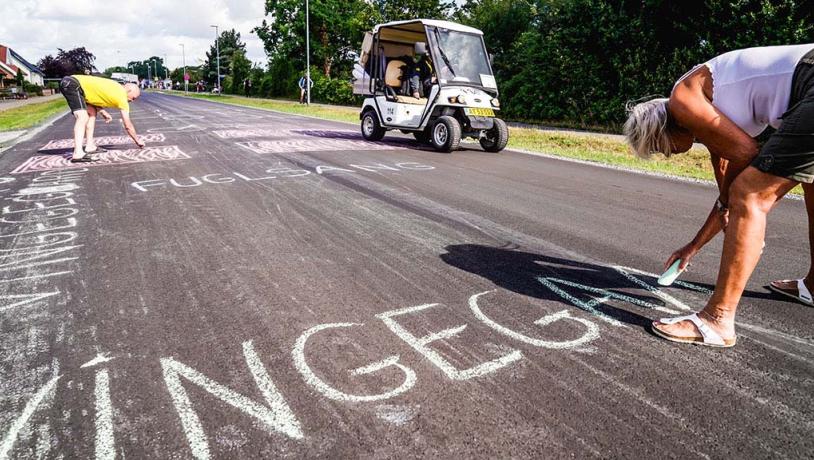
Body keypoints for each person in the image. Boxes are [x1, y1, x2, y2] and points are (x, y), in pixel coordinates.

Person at [624, 43, 814, 348]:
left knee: (750, 195)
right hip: (806, 85)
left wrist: (736, 207)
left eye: (661, 148)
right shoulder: (706, 109)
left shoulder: (683, 99)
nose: (668, 155)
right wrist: (693, 247)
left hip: (810, 79)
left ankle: (718, 318)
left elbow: (747, 159)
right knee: (810, 185)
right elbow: (725, 199)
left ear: (662, 131)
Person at [58, 74, 144, 162]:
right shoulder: (122, 97)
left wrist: (103, 112)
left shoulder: (116, 87)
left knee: (92, 112)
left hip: (72, 83)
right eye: (133, 98)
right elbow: (127, 125)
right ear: (129, 90)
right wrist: (138, 141)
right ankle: (78, 153)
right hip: (73, 84)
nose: (132, 101)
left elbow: (96, 96)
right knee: (82, 116)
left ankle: (90, 146)